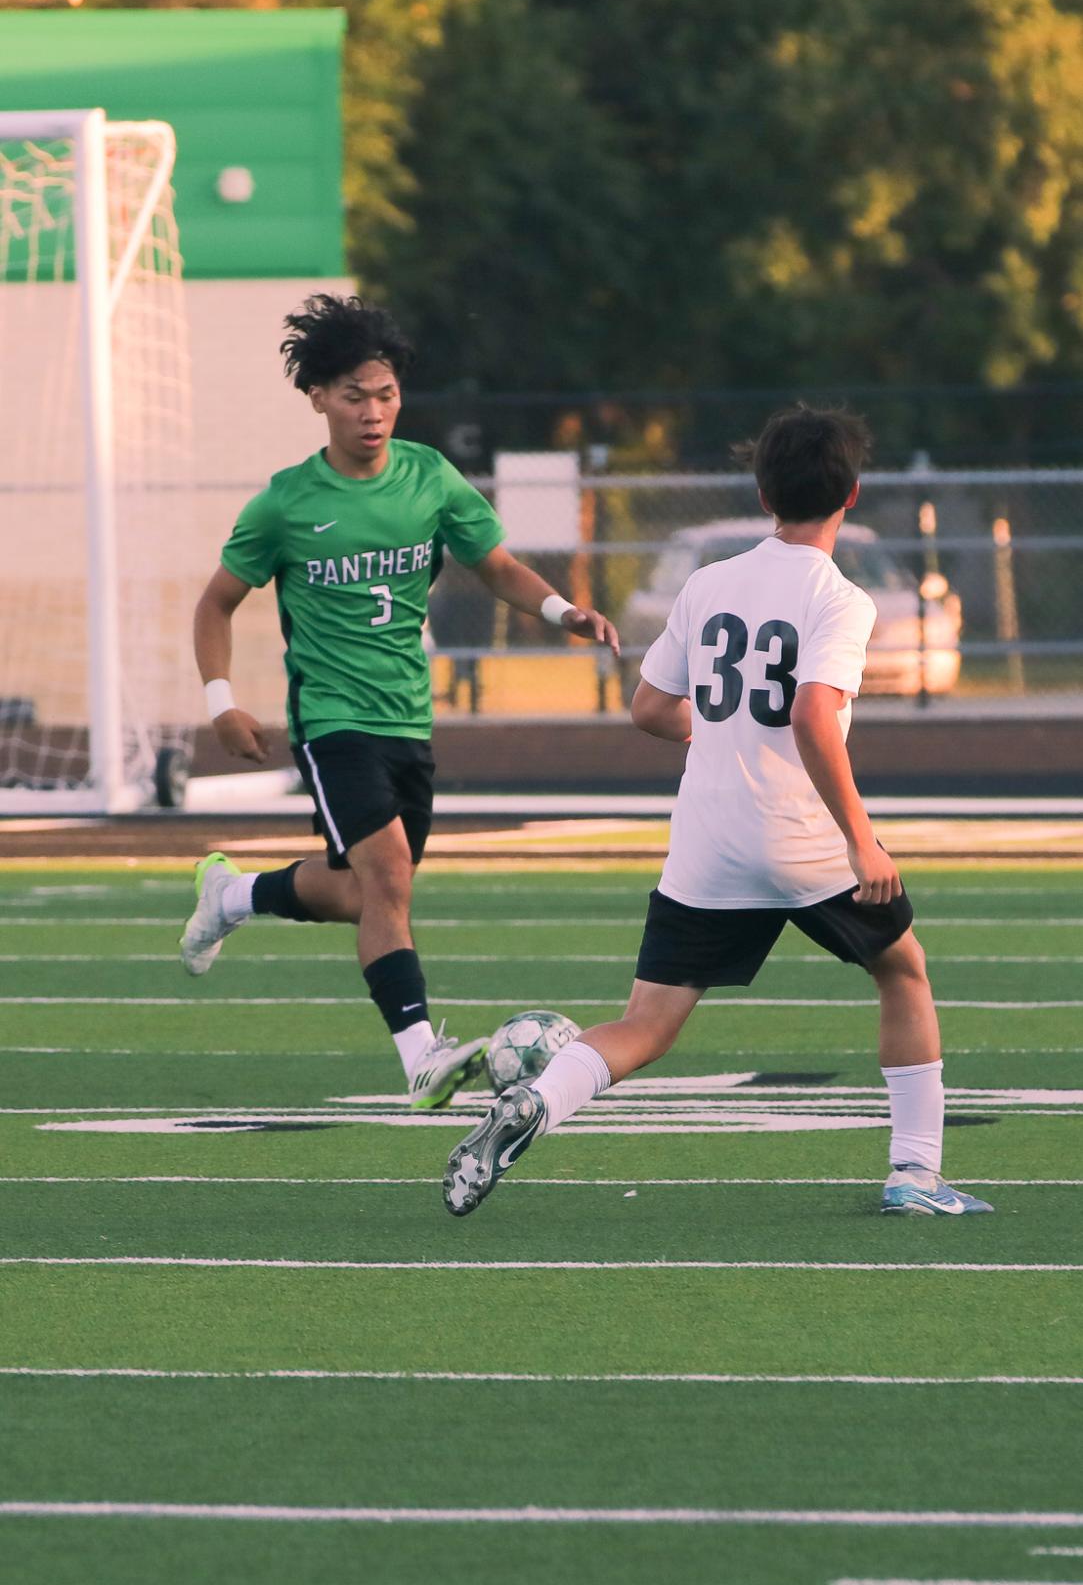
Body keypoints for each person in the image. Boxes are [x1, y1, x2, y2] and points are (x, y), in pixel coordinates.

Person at [444, 403, 993, 1214]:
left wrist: (725, 730)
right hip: (799, 838)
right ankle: (914, 1173)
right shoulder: (840, 597)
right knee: (901, 970)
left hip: (707, 842)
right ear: (851, 494)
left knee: (646, 1025)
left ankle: (539, 1100)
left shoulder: (709, 582)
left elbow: (649, 708)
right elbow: (811, 716)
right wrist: (861, 842)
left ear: (762, 492)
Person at [181, 292, 620, 1108]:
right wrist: (222, 702)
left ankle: (233, 893)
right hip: (331, 720)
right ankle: (421, 1055)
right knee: (385, 874)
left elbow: (494, 564)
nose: (374, 412)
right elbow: (215, 603)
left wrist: (564, 611)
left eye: (385, 395)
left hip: (405, 719)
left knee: (365, 892)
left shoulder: (429, 476)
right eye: (354, 396)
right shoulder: (285, 502)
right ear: (317, 397)